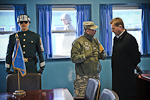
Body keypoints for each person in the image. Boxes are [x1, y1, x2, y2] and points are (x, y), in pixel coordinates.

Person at [71, 21, 107, 97]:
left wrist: (102, 55)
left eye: (95, 29)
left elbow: (103, 54)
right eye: (93, 30)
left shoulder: (96, 41)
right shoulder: (78, 42)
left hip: (95, 76)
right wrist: (86, 55)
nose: (95, 31)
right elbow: (74, 58)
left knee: (95, 97)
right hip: (83, 77)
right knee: (82, 97)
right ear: (87, 30)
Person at [110, 17, 141, 100]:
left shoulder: (130, 39)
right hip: (117, 76)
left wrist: (126, 66)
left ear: (120, 27)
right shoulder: (116, 39)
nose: (112, 31)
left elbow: (136, 58)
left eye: (113, 28)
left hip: (126, 77)